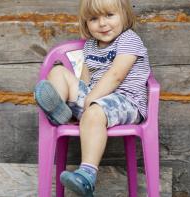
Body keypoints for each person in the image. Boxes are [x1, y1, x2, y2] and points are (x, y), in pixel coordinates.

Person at [34, 0, 150, 196]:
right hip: (94, 102)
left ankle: (87, 175)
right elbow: (84, 82)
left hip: (126, 101)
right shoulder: (90, 47)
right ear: (86, 23)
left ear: (124, 15)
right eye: (94, 19)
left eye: (109, 15)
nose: (102, 23)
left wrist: (91, 98)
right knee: (58, 71)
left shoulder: (129, 39)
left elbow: (116, 75)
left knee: (95, 110)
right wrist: (81, 96)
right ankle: (59, 110)